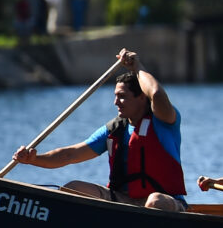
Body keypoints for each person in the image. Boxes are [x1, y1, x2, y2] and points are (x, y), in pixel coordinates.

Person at [12, 49, 187, 211]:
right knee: (72, 188)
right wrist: (33, 159)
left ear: (142, 97)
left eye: (122, 97)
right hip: (123, 201)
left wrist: (137, 67)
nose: (115, 102)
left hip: (167, 202)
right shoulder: (115, 129)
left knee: (155, 201)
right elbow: (70, 155)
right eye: (115, 96)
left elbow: (156, 94)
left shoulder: (163, 121)